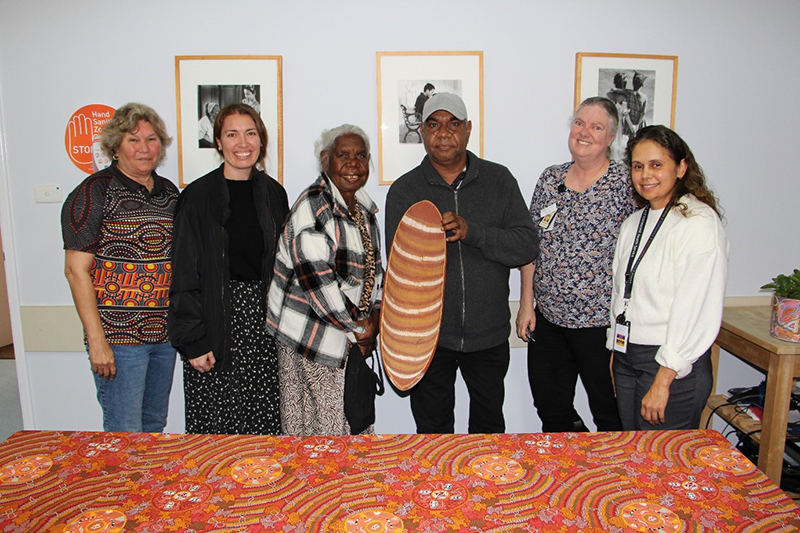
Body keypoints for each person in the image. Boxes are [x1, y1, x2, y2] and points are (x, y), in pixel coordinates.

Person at [386, 93, 538, 434]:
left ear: (468, 130)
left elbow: (526, 245)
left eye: (454, 124)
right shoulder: (404, 190)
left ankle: (487, 490)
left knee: (488, 433)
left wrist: (474, 231)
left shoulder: (499, 181)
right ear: (422, 132)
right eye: (434, 125)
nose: (444, 133)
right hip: (427, 340)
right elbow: (398, 271)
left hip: (488, 336)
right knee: (433, 434)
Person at [169, 103, 289, 435]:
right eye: (232, 134)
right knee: (215, 429)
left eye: (251, 133)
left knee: (262, 428)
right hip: (212, 324)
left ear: (261, 140)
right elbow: (183, 274)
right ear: (218, 142)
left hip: (263, 328)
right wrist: (193, 341)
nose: (243, 143)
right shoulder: (196, 197)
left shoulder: (274, 195)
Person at [516, 96, 635, 433]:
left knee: (609, 411)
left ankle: (612, 478)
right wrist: (527, 305)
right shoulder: (550, 179)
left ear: (610, 138)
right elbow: (530, 245)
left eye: (596, 127)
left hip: (601, 325)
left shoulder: (625, 185)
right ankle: (569, 475)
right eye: (580, 123)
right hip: (549, 320)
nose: (585, 132)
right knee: (551, 409)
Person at [61, 103, 178, 432]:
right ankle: (121, 486)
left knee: (154, 425)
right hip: (118, 339)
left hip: (164, 335)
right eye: (133, 140)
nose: (144, 148)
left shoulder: (169, 193)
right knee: (124, 429)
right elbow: (75, 270)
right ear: (115, 146)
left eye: (152, 139)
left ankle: (149, 485)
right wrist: (97, 341)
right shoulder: (93, 192)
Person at [609, 125, 728, 430]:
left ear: (681, 167)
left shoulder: (698, 223)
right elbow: (622, 294)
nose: (645, 175)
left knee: (663, 465)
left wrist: (664, 379)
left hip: (670, 364)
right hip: (627, 356)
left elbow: (694, 307)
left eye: (656, 165)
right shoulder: (634, 223)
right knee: (633, 456)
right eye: (638, 166)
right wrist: (615, 353)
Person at [267, 124, 383, 436]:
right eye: (343, 155)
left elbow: (376, 271)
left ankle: (343, 485)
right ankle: (328, 486)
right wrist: (360, 330)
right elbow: (318, 280)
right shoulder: (314, 205)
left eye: (361, 156)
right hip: (310, 335)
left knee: (345, 423)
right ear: (325, 160)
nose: (353, 163)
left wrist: (376, 317)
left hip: (346, 334)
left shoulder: (365, 209)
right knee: (326, 430)